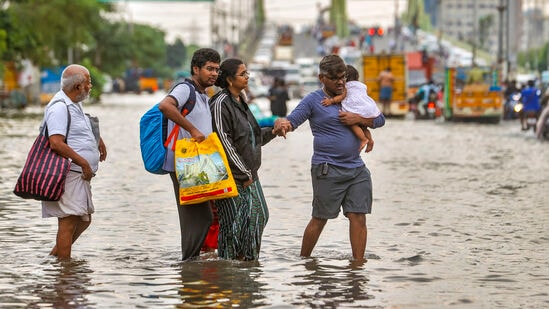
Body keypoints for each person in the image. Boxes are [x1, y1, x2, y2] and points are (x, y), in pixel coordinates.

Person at [273, 54, 385, 261]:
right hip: (327, 168)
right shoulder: (313, 100)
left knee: (358, 216)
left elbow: (379, 120)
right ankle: (304, 262)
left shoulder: (353, 94)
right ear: (322, 78)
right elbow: (293, 120)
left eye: (343, 77)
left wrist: (358, 118)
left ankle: (357, 268)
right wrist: (283, 124)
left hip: (356, 169)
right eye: (335, 79)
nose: (340, 82)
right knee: (320, 218)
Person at [209, 58, 279, 261]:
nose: (247, 77)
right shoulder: (220, 103)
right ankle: (228, 269)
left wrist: (274, 130)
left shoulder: (242, 101)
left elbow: (253, 137)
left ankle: (248, 265)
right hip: (231, 176)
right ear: (230, 80)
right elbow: (223, 142)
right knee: (233, 224)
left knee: (259, 216)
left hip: (249, 175)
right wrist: (244, 172)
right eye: (243, 74)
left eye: (247, 73)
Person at [158, 48, 221, 260]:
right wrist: (192, 129)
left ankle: (191, 263)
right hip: (185, 162)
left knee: (203, 216)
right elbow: (165, 105)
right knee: (197, 217)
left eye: (217, 70)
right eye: (209, 69)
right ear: (196, 69)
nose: (214, 74)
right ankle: (188, 261)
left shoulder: (202, 94)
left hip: (199, 162)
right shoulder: (186, 89)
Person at [42, 64, 107, 260]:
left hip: (80, 174)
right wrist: (84, 163)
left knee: (83, 220)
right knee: (68, 222)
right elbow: (56, 143)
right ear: (78, 86)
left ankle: (56, 259)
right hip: (70, 173)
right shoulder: (59, 108)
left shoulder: (74, 104)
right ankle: (64, 271)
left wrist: (98, 140)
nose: (90, 86)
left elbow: (80, 127)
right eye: (88, 82)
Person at [321, 64, 380, 152]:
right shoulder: (361, 85)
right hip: (368, 108)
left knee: (352, 123)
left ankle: (364, 139)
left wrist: (331, 101)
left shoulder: (346, 86)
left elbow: (342, 97)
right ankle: (370, 140)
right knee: (364, 128)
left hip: (356, 109)